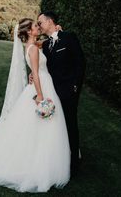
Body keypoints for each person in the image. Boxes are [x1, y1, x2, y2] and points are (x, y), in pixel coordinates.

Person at [0, 18, 70, 193]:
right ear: (29, 31)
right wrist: (40, 96)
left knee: (32, 127)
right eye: (35, 26)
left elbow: (43, 43)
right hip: (42, 87)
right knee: (45, 125)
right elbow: (35, 74)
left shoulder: (30, 46)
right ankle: (41, 163)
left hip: (41, 85)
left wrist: (57, 30)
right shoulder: (34, 50)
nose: (38, 27)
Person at [37, 11, 86, 176]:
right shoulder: (45, 45)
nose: (39, 26)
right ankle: (61, 158)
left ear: (50, 22)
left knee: (71, 125)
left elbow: (80, 63)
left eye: (40, 22)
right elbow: (42, 66)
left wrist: (75, 87)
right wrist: (33, 74)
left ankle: (74, 163)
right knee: (58, 126)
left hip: (68, 91)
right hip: (52, 92)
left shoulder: (69, 37)